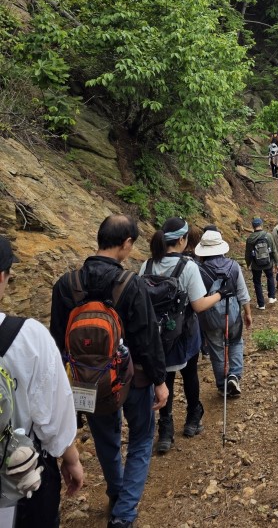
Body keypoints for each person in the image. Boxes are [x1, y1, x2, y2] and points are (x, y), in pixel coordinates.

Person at [51, 214, 168, 528]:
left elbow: (57, 341)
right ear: (126, 244)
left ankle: (117, 492)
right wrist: (160, 381)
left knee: (106, 438)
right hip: (136, 379)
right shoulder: (131, 284)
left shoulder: (67, 284)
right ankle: (125, 512)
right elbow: (147, 338)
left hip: (88, 382)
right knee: (142, 437)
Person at [0, 236, 83, 528]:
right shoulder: (27, 336)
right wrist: (70, 459)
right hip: (24, 477)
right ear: (3, 277)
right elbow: (52, 415)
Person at [140, 217, 228, 454]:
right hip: (185, 333)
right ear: (181, 239)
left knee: (165, 378)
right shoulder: (188, 267)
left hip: (157, 336)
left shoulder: (147, 265)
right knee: (190, 375)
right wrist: (221, 294)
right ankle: (192, 419)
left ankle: (165, 430)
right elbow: (199, 305)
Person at [194, 229, 252, 398]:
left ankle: (222, 384)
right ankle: (234, 375)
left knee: (217, 349)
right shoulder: (233, 266)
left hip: (209, 317)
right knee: (235, 342)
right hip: (232, 314)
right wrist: (247, 313)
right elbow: (242, 292)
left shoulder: (199, 270)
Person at [245, 217, 278, 310]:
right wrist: (277, 263)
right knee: (270, 277)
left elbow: (248, 253)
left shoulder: (250, 238)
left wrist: (248, 264)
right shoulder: (268, 235)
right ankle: (271, 297)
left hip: (256, 264)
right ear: (261, 225)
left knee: (257, 282)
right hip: (268, 262)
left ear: (253, 226)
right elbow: (274, 250)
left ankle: (261, 304)